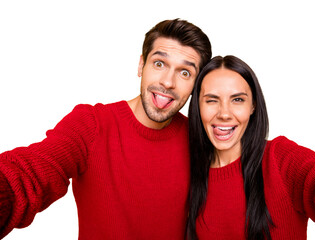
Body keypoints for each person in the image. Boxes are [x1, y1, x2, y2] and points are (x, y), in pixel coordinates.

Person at [0, 19, 212, 239]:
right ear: (141, 66)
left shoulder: (199, 141)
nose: (168, 82)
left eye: (185, 72)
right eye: (159, 64)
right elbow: (30, 173)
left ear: (196, 85)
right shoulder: (91, 124)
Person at [187, 55, 315, 239]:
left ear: (253, 106)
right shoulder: (189, 172)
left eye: (237, 100)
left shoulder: (279, 159)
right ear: (198, 106)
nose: (224, 114)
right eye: (211, 100)